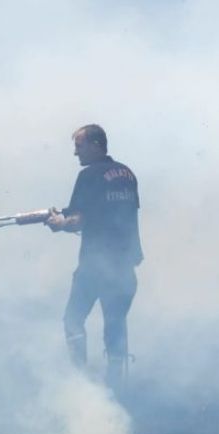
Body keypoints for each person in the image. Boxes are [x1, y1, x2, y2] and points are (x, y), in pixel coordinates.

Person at [45, 124, 143, 389]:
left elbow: (79, 219)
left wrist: (60, 223)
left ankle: (80, 381)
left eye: (79, 146)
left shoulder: (89, 176)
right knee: (115, 324)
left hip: (95, 266)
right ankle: (117, 387)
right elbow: (112, 211)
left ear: (96, 145)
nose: (76, 153)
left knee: (73, 319)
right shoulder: (127, 174)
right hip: (124, 265)